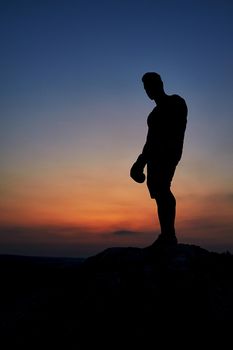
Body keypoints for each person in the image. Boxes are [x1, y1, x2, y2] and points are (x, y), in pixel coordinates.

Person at [130, 72, 187, 246]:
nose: (148, 90)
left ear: (160, 84)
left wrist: (161, 152)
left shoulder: (176, 102)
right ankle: (166, 235)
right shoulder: (153, 115)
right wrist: (140, 162)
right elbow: (150, 140)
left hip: (168, 153)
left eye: (151, 85)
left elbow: (173, 131)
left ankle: (169, 236)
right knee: (158, 191)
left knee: (162, 189)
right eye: (146, 87)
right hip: (154, 155)